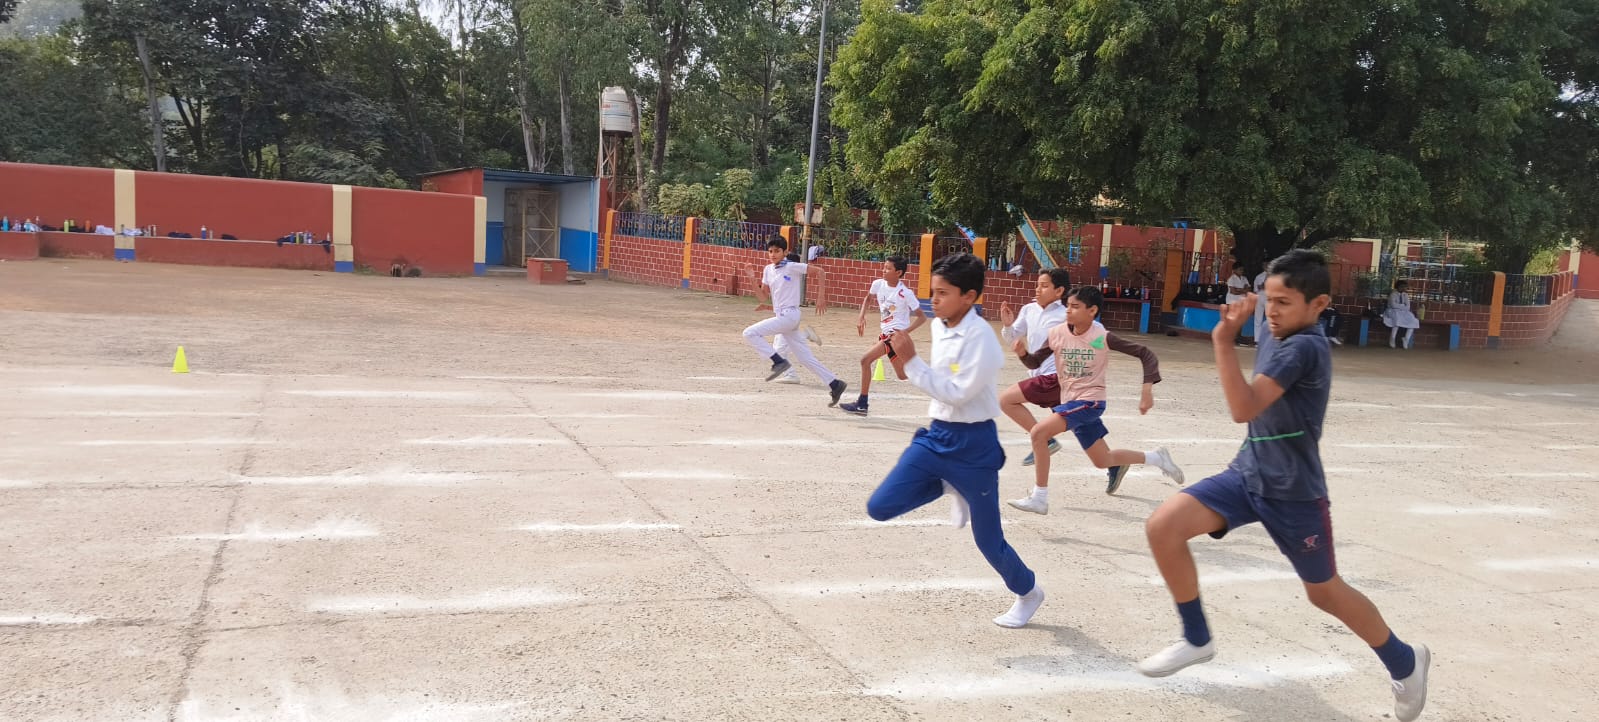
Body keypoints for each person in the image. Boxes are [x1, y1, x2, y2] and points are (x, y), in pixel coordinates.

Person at [1137, 250, 1429, 721]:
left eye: (1285, 303)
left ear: (1318, 305)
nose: (1272, 312)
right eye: (1269, 300)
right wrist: (1248, 314)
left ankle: (1405, 661)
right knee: (1163, 526)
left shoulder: (1305, 348)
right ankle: (1196, 637)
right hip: (1247, 473)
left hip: (1294, 490)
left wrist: (1222, 341)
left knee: (1324, 591)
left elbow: (1243, 407)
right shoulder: (1273, 327)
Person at [867, 253, 1045, 629]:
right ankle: (948, 485)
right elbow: (933, 379)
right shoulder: (938, 325)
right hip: (936, 436)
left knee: (988, 541)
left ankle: (1029, 592)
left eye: (944, 293)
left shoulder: (982, 340)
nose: (935, 300)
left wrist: (912, 362)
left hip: (974, 447)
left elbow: (958, 392)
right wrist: (904, 363)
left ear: (969, 296)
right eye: (933, 291)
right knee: (880, 507)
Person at [1008, 287, 1184, 514]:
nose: (1068, 311)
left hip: (1090, 402)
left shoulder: (1100, 337)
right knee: (1103, 460)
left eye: (1075, 307)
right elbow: (1034, 363)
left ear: (1092, 311)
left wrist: (1147, 389)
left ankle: (1040, 497)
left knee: (1039, 433)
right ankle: (1156, 458)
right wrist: (1023, 353)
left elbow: (1145, 353)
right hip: (1071, 401)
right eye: (1068, 305)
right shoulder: (1057, 334)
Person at [741, 235, 847, 406]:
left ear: (785, 252)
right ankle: (835, 384)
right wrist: (752, 278)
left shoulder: (792, 267)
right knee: (805, 358)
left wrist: (821, 297)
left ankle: (779, 362)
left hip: (790, 315)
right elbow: (762, 297)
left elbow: (820, 272)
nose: (773, 254)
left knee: (749, 333)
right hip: (782, 316)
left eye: (777, 251)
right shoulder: (768, 269)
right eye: (770, 251)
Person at [995, 268, 1071, 465]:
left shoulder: (1066, 314)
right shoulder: (1029, 310)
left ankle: (1044, 440)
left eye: (1044, 286)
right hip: (1042, 374)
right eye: (1037, 285)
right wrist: (1008, 326)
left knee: (1005, 400)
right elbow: (1012, 339)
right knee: (1081, 424)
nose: (1038, 289)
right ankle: (1113, 462)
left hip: (1054, 377)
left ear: (1059, 291)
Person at [839, 256, 926, 415]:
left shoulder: (905, 293)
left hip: (893, 336)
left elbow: (922, 317)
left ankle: (862, 404)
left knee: (865, 360)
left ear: (898, 272)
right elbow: (868, 298)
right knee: (902, 375)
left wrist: (904, 333)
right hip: (886, 335)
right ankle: (934, 377)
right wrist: (861, 316)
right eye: (884, 267)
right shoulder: (878, 284)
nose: (883, 271)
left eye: (888, 268)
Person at [1382, 280, 1421, 349]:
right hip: (1392, 311)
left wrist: (1401, 306)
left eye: (1405, 287)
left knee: (1413, 320)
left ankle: (1406, 339)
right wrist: (1403, 305)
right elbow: (1393, 305)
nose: (1404, 288)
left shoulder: (1405, 295)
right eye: (1402, 287)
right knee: (1397, 320)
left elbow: (1408, 307)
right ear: (1398, 287)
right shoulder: (1393, 294)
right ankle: (1392, 338)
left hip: (1404, 312)